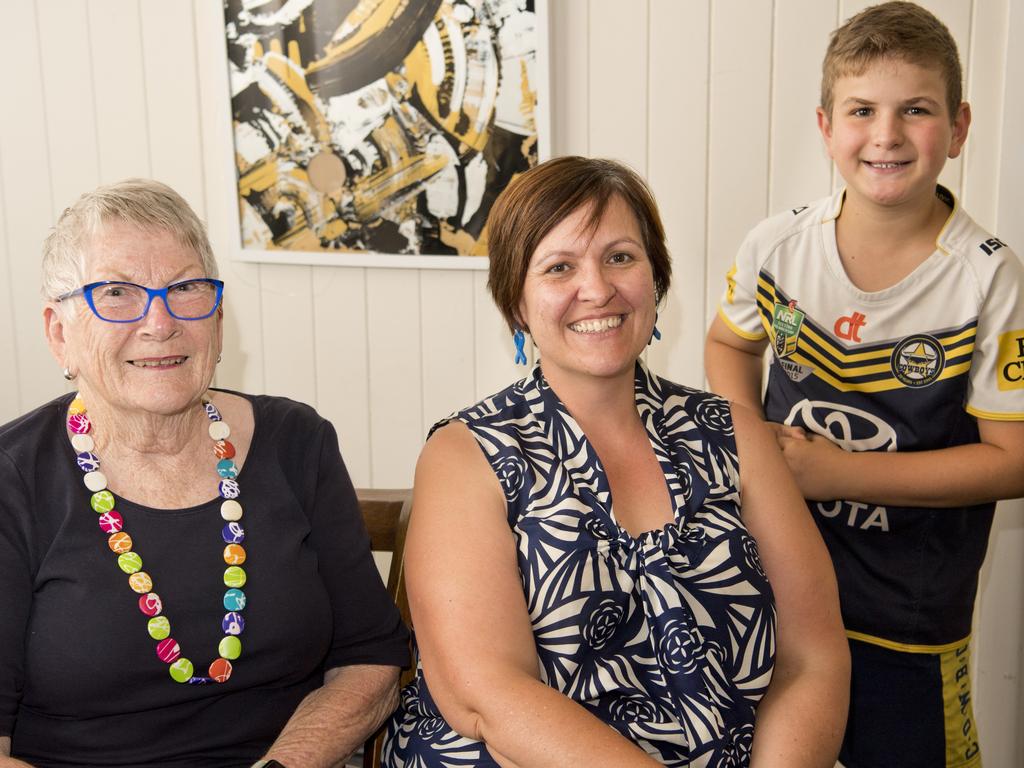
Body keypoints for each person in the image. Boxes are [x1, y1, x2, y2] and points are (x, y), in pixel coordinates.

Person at [383, 156, 849, 767]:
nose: (598, 288)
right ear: (517, 304)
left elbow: (812, 659)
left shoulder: (736, 436)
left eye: (621, 257)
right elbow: (488, 696)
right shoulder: (465, 455)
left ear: (656, 277)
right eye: (558, 267)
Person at [704, 3, 1024, 767]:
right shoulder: (775, 245)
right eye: (862, 110)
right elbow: (727, 345)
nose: (885, 135)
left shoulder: (989, 278)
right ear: (825, 125)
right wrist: (755, 451)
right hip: (776, 586)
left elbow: (1012, 458)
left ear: (958, 128)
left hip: (910, 611)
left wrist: (833, 473)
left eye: (915, 109)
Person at [0, 179, 409, 767]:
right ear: (59, 334)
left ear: (217, 316)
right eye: (116, 292)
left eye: (187, 287)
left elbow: (369, 661)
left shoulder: (298, 442)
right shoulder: (14, 479)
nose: (160, 321)